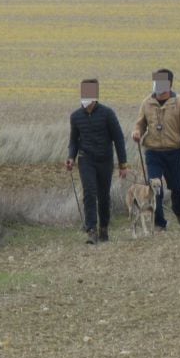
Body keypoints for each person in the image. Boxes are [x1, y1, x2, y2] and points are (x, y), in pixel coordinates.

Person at [132, 69, 180, 231]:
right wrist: (137, 131)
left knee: (177, 188)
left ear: (169, 84)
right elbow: (140, 123)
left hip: (174, 152)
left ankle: (179, 212)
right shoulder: (147, 102)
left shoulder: (179, 103)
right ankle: (159, 223)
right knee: (155, 188)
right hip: (153, 152)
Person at [67, 79, 129, 244]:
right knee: (89, 193)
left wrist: (123, 164)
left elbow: (118, 139)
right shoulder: (75, 116)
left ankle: (104, 228)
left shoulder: (108, 114)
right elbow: (73, 141)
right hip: (86, 159)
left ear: (95, 96)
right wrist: (71, 158)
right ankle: (91, 231)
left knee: (103, 196)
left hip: (105, 161)